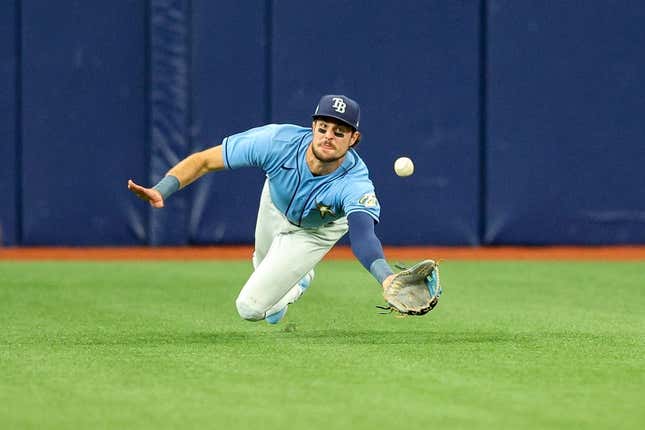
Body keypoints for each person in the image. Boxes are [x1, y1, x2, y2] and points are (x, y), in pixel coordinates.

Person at [128, 94, 399, 324]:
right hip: (274, 204)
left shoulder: (355, 182)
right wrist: (161, 189)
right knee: (262, 270)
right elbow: (204, 161)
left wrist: (386, 278)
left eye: (339, 132)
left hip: (317, 230)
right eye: (323, 127)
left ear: (354, 138)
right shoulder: (276, 141)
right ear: (313, 126)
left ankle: (297, 282)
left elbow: (363, 236)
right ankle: (293, 278)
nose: (329, 137)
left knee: (250, 308)